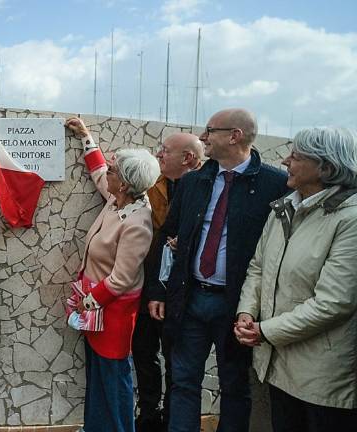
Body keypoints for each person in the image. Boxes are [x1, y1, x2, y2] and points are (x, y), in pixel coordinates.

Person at [147, 108, 289, 432]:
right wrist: (158, 290)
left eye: (209, 130)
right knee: (183, 382)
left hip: (237, 306)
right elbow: (169, 234)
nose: (203, 138)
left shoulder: (275, 185)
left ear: (234, 136)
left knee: (235, 388)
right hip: (191, 299)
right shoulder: (194, 181)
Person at [235, 127, 357, 431]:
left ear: (326, 167)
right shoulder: (285, 208)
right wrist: (246, 312)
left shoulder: (349, 219)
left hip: (321, 377)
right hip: (278, 366)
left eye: (297, 156)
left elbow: (335, 302)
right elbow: (258, 268)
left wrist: (265, 331)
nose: (286, 161)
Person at [64, 117, 160, 432]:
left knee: (114, 376)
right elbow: (97, 170)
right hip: (95, 304)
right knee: (97, 374)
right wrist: (87, 137)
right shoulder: (117, 199)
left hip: (112, 311)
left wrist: (87, 303)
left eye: (115, 170)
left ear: (127, 183)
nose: (110, 171)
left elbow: (121, 279)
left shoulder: (138, 221)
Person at [134, 133, 203, 432]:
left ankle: (174, 420)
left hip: (186, 292)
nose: (158, 155)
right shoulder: (153, 184)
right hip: (151, 284)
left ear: (187, 158)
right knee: (143, 350)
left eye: (164, 151)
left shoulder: (208, 187)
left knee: (177, 360)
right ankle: (149, 414)